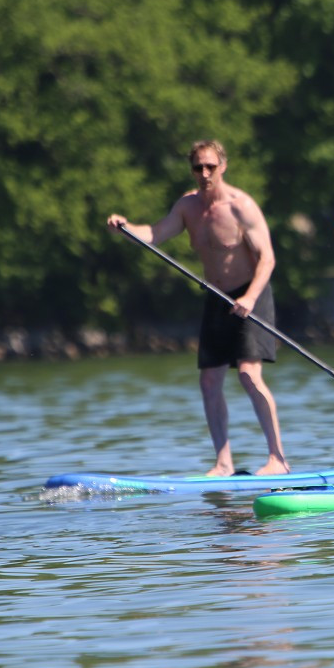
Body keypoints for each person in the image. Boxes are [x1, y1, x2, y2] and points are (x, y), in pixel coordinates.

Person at [107, 139, 288, 477]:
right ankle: (223, 463)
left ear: (223, 166)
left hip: (252, 295)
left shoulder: (241, 206)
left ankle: (277, 459)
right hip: (216, 297)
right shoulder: (188, 207)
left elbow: (268, 258)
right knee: (209, 381)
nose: (204, 174)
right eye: (198, 167)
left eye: (211, 167)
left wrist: (249, 299)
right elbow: (156, 233)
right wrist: (126, 228)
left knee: (249, 375)